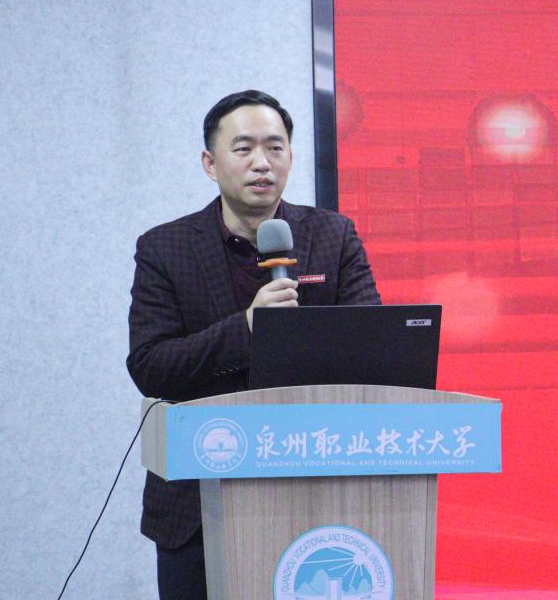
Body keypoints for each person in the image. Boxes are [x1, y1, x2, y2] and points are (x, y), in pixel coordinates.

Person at [126, 89, 381, 598]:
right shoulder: (165, 248)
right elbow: (151, 367)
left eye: (275, 147)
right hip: (198, 503)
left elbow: (373, 348)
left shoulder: (332, 235)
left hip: (316, 492)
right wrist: (246, 327)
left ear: (290, 157)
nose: (261, 162)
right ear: (210, 163)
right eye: (243, 148)